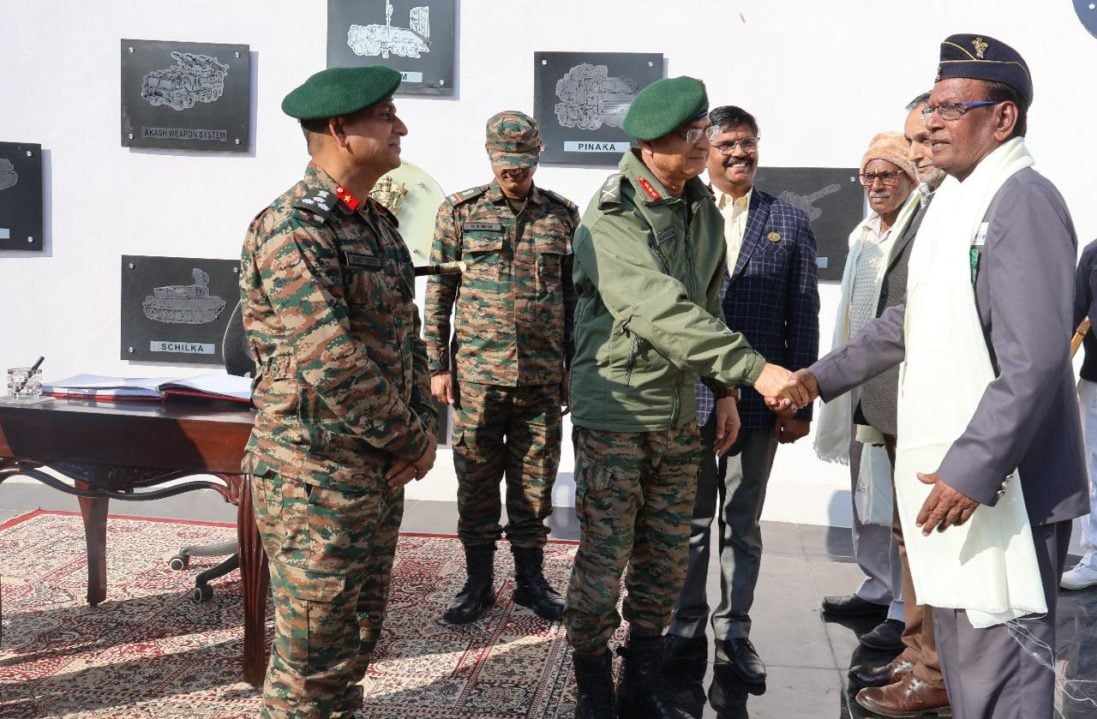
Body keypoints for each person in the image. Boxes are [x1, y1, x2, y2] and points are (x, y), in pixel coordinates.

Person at [783, 34, 1089, 718]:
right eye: (931, 109)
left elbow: (1036, 359)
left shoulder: (1021, 201)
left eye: (951, 108)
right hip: (959, 481)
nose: (931, 123)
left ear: (1002, 117)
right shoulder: (957, 200)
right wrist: (817, 379)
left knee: (1004, 680)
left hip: (1008, 487)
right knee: (969, 674)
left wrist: (971, 468)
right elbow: (908, 320)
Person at [563, 76, 804, 719]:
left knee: (665, 560)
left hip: (677, 410)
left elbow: (706, 303)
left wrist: (722, 391)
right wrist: (752, 370)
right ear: (649, 145)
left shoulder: (699, 208)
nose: (703, 145)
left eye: (703, 132)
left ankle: (640, 684)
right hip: (617, 411)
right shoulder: (612, 214)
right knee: (605, 559)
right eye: (689, 136)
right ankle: (593, 690)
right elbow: (657, 308)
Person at [240, 65, 438, 719]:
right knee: (311, 660)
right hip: (313, 473)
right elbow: (331, 358)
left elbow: (407, 336)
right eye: (385, 115)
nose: (401, 126)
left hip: (372, 467)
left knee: (353, 642)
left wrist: (422, 425)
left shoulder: (373, 222)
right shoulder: (294, 227)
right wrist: (412, 438)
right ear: (339, 130)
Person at [663, 104, 820, 687]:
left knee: (743, 522)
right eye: (726, 143)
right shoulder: (681, 213)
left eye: (747, 142)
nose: (739, 153)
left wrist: (800, 401)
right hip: (689, 396)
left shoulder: (789, 220)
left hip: (759, 399)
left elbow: (803, 313)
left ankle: (734, 630)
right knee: (689, 521)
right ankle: (684, 627)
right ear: (706, 149)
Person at [424, 110, 579, 624]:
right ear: (489, 156)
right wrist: (437, 364)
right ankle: (479, 582)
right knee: (475, 481)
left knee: (535, 485)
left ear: (538, 154)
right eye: (504, 161)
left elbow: (575, 299)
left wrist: (571, 365)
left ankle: (531, 582)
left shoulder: (561, 215)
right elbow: (439, 292)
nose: (513, 171)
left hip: (540, 377)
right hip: (477, 375)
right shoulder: (460, 212)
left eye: (523, 161)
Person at [846, 93, 951, 717]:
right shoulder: (928, 205)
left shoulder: (951, 204)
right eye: (912, 140)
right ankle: (917, 654)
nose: (918, 151)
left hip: (927, 403)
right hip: (894, 402)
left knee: (925, 536)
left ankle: (932, 667)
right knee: (906, 534)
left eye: (922, 140)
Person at [814, 131, 919, 646]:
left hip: (897, 379)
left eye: (888, 174)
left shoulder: (918, 232)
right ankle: (877, 586)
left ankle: (903, 605)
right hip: (858, 379)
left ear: (909, 178)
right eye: (869, 175)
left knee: (897, 496)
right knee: (864, 488)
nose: (876, 184)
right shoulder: (863, 234)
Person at [1063, 237, 1097, 591]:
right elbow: (1073, 312)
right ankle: (1096, 557)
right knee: (1095, 470)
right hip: (1096, 379)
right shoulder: (1094, 252)